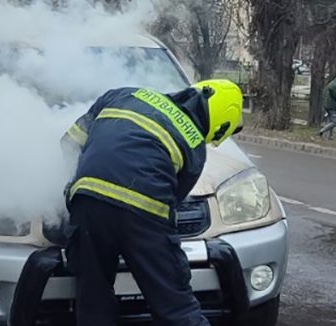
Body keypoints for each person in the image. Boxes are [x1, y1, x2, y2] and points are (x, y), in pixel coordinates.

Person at [60, 80, 243, 326]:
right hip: (143, 218)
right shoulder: (194, 146)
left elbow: (69, 143)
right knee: (175, 304)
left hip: (87, 204)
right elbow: (172, 202)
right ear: (220, 127)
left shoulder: (124, 94)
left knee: (93, 299)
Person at [319, 73, 336, 140]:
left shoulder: (332, 83)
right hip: (332, 106)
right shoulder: (335, 86)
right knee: (334, 122)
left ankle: (328, 136)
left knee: (329, 121)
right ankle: (322, 131)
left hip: (327, 105)